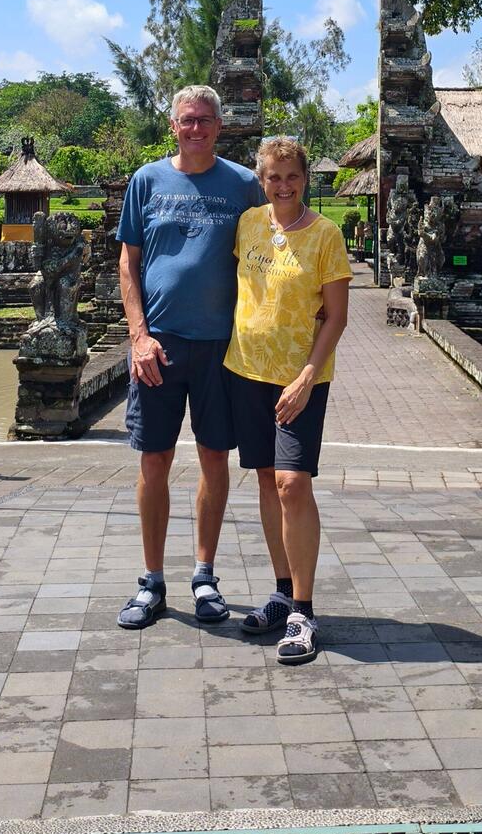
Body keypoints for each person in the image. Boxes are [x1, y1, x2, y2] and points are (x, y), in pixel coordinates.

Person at [116, 85, 263, 630]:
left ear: (219, 126)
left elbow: (268, 256)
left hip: (222, 345)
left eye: (205, 120)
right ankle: (152, 580)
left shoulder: (244, 185)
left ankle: (204, 575)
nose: (196, 128)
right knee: (153, 459)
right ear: (173, 126)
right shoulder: (146, 181)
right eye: (187, 120)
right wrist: (138, 336)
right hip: (159, 344)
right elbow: (128, 263)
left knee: (213, 458)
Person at [224, 136, 351, 663]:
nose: (283, 185)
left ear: (305, 179)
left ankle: (303, 610)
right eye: (273, 177)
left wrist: (306, 376)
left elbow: (337, 317)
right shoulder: (248, 224)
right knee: (265, 480)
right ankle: (281, 592)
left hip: (301, 380)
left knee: (292, 484)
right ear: (261, 180)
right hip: (245, 369)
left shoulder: (325, 235)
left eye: (292, 176)